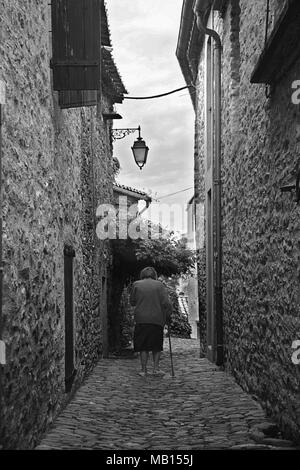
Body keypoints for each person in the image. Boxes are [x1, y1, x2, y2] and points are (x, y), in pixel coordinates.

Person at [130, 267, 172, 377]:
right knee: (156, 345)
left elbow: (132, 302)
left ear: (142, 274)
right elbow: (166, 303)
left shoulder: (136, 284)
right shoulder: (160, 285)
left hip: (141, 319)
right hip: (157, 319)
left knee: (143, 346)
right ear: (154, 275)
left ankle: (143, 370)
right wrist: (168, 314)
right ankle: (156, 369)